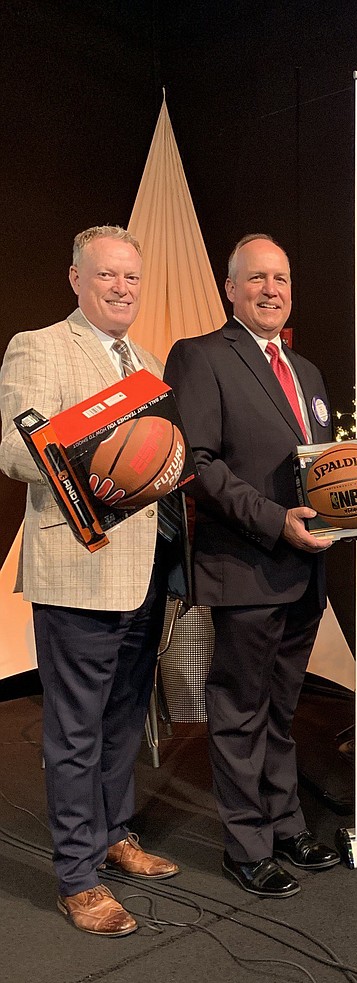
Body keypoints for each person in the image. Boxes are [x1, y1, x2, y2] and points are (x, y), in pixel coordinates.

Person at [0, 226, 181, 938]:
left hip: (143, 569)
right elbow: (14, 448)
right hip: (78, 566)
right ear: (75, 278)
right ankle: (76, 875)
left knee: (119, 718)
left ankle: (113, 832)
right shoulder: (38, 345)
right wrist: (93, 439)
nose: (120, 288)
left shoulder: (149, 360)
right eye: (106, 275)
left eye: (131, 278)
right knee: (74, 728)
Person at [164, 234, 339, 899]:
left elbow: (322, 470)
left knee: (282, 707)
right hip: (246, 565)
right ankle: (247, 844)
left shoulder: (308, 372)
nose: (272, 289)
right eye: (257, 278)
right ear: (230, 289)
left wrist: (352, 509)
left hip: (305, 570)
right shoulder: (202, 356)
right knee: (239, 708)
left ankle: (287, 822)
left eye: (282, 278)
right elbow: (199, 465)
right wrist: (276, 520)